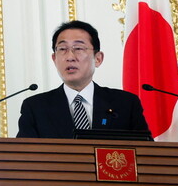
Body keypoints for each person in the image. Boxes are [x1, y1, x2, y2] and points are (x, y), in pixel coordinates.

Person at [16, 20, 151, 138]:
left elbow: (145, 153)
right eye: (62, 49)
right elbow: (24, 158)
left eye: (78, 48)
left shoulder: (125, 104)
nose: (70, 56)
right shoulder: (35, 107)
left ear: (98, 59)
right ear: (54, 59)